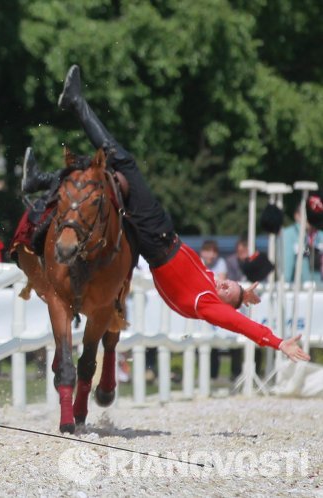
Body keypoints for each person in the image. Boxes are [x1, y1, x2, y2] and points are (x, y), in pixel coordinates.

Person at [21, 65, 309, 363]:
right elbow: (228, 296)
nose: (224, 283)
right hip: (157, 242)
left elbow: (241, 324)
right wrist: (242, 294)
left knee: (124, 163)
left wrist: (276, 342)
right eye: (228, 283)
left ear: (222, 304)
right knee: (107, 177)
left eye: (227, 291)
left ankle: (75, 104)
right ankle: (40, 180)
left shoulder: (205, 302)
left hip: (158, 238)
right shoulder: (209, 285)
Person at [281, 205, 323, 284]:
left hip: (319, 287)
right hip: (297, 288)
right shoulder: (288, 235)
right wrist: (285, 283)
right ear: (297, 216)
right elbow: (286, 266)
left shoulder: (320, 236)